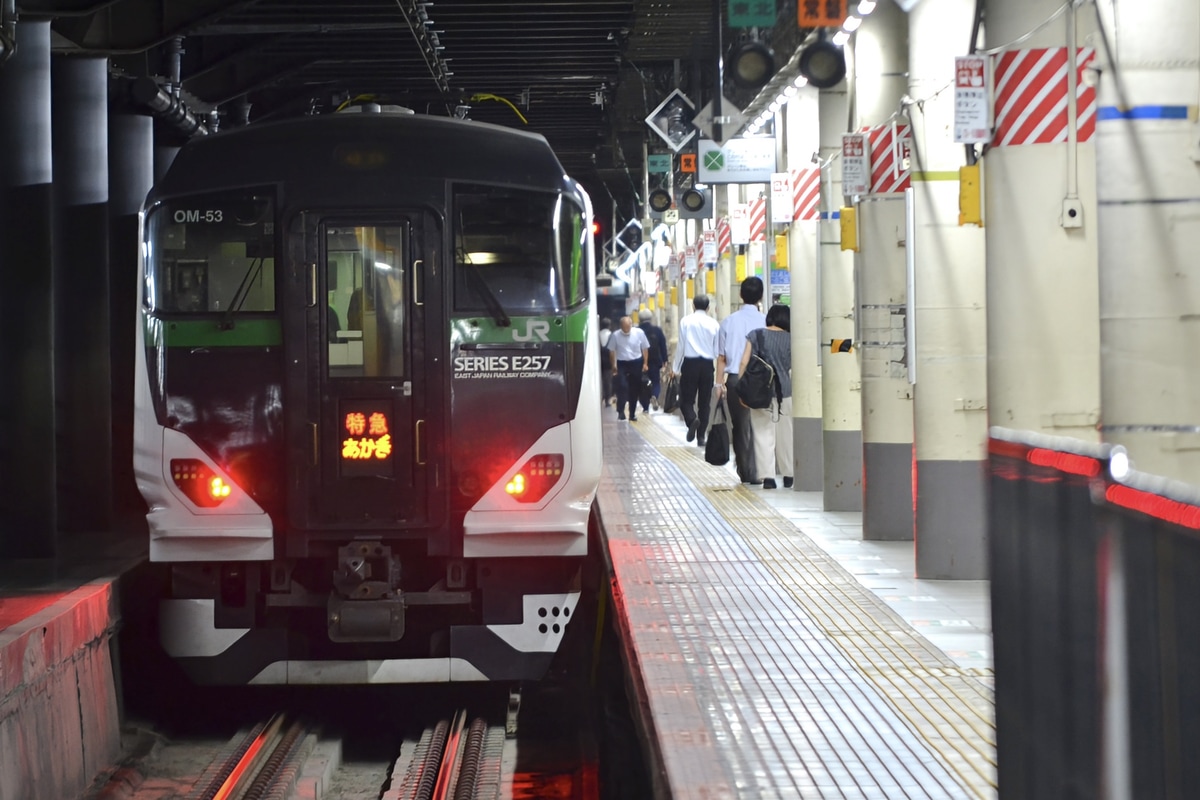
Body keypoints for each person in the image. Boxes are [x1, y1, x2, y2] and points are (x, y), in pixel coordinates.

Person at [715, 276, 766, 484]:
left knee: (740, 426)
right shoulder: (766, 321)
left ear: (740, 295)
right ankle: (760, 470)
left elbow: (721, 357)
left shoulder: (728, 322)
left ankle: (746, 471)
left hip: (735, 379)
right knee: (760, 425)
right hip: (761, 379)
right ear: (761, 296)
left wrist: (718, 384)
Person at [738, 303, 793, 489]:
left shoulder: (756, 335)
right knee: (787, 434)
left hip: (760, 392)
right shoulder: (791, 339)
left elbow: (744, 362)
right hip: (785, 391)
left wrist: (742, 389)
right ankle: (789, 475)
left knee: (763, 433)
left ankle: (768, 477)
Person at [670, 294, 719, 447]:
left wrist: (675, 368)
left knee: (686, 400)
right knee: (705, 403)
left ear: (692, 306)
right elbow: (717, 350)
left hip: (690, 364)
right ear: (708, 307)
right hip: (707, 365)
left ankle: (692, 420)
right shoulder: (714, 324)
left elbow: (681, 347)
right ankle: (701, 437)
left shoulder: (685, 321)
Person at [607, 315, 649, 421]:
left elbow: (645, 348)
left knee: (634, 389)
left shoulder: (639, 333)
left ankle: (632, 413)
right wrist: (614, 366)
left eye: (628, 327)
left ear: (631, 324)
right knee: (622, 387)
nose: (626, 330)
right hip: (622, 363)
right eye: (624, 327)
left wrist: (645, 363)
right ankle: (620, 411)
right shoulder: (615, 335)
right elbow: (612, 351)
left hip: (636, 362)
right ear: (621, 326)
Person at [637, 310, 668, 414]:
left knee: (641, 385)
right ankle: (654, 395)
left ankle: (645, 407)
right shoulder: (657, 331)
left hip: (640, 362)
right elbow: (663, 346)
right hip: (655, 361)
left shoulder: (636, 331)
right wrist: (665, 360)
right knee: (655, 382)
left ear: (639, 319)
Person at [598, 317, 614, 408]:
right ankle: (607, 399)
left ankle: (600, 397)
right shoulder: (612, 335)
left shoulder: (596, 335)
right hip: (609, 362)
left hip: (599, 362)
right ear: (609, 326)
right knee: (608, 381)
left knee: (599, 381)